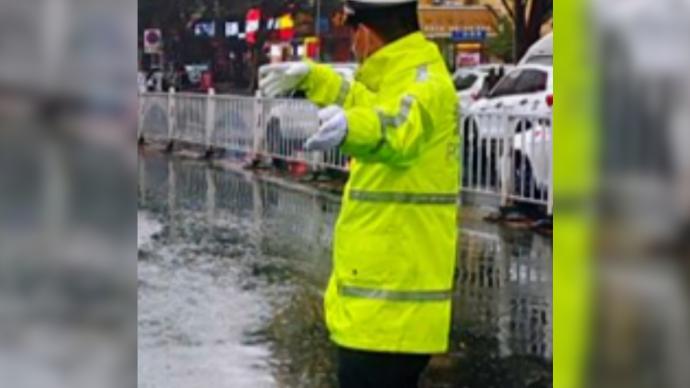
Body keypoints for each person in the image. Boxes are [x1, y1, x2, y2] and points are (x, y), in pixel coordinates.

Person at [259, 1, 459, 387]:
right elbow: (371, 104)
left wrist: (352, 128)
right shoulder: (406, 79)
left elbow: (397, 128)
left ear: (365, 33)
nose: (352, 45)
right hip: (383, 311)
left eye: (352, 34)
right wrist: (315, 78)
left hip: (390, 315)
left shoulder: (425, 86)